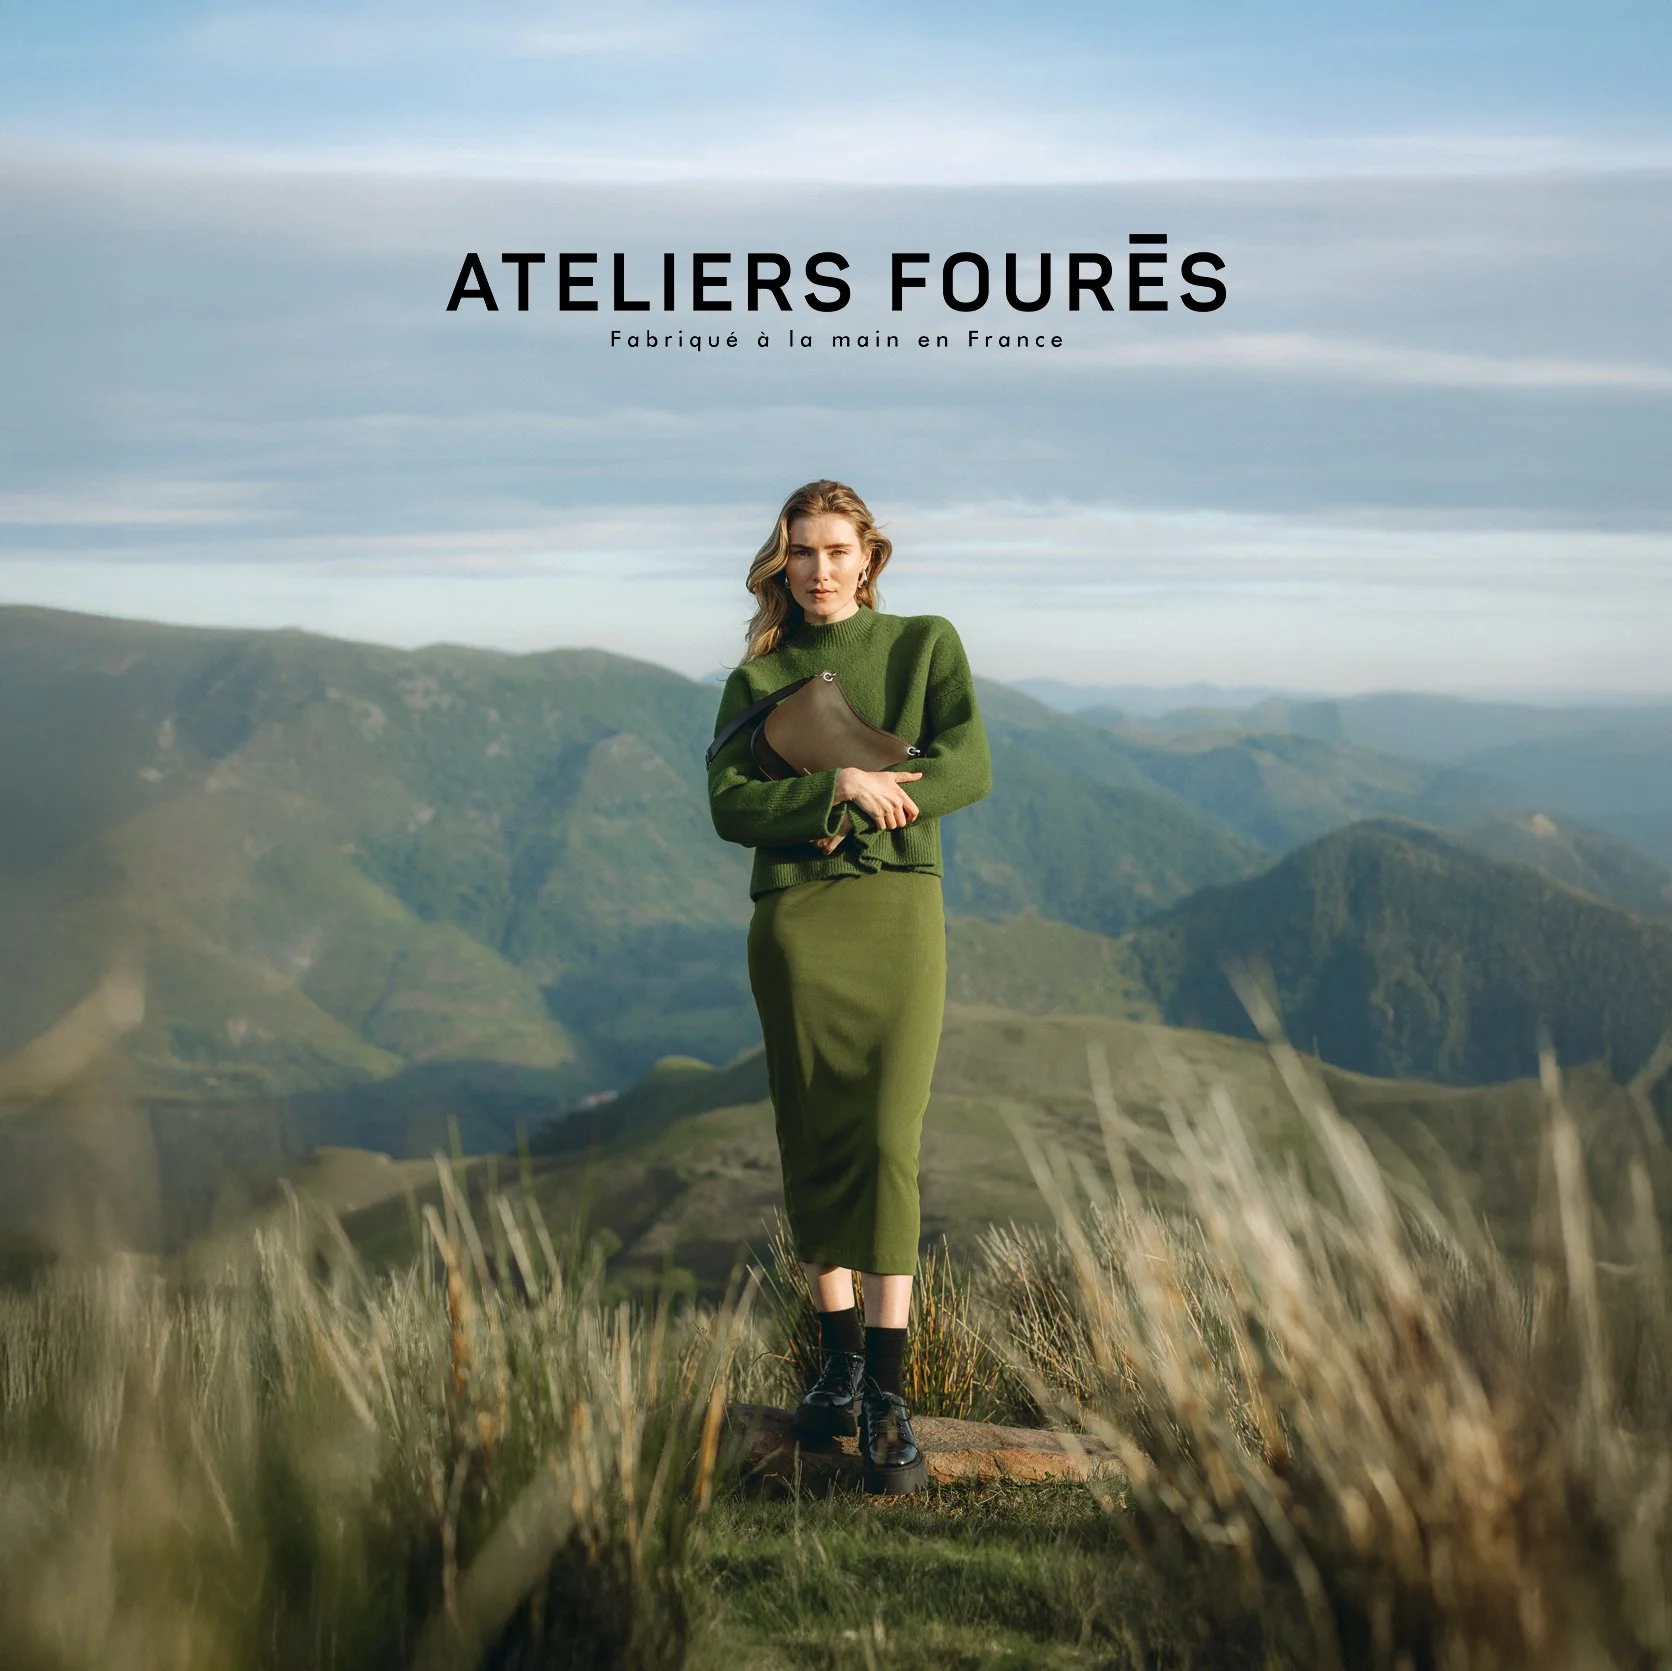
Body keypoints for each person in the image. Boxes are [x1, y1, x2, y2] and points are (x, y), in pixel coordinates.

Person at [706, 479, 992, 1494]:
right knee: (813, 1129)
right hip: (795, 922)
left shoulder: (923, 645)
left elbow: (968, 766)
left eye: (836, 550)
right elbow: (728, 805)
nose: (819, 569)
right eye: (802, 551)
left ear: (869, 557)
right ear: (780, 564)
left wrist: (873, 799)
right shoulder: (756, 679)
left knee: (883, 1138)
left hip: (898, 911)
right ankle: (834, 1370)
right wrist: (832, 784)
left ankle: (888, 1392)